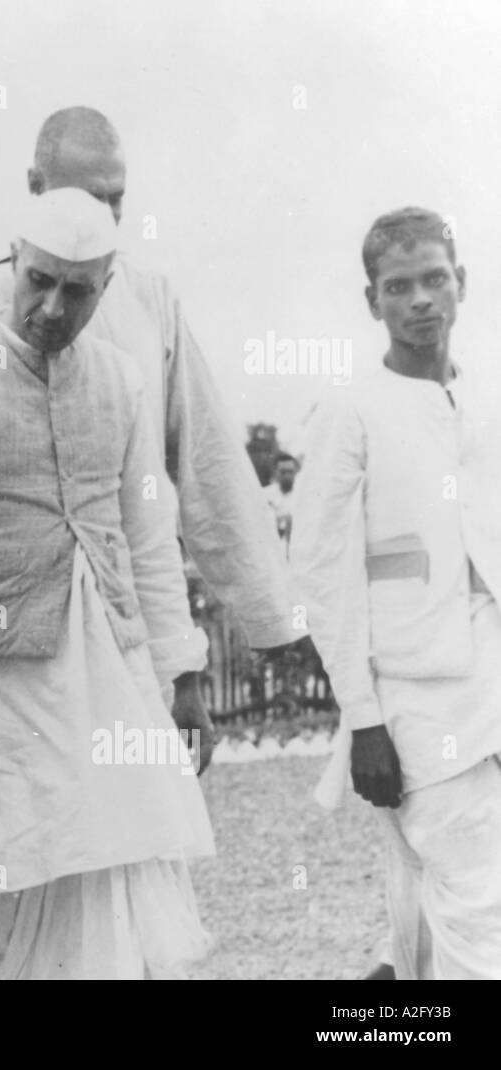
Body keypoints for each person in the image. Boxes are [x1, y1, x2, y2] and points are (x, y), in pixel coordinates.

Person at [0, 188, 216, 979]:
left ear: (105, 288)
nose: (52, 306)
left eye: (77, 290)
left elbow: (147, 536)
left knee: (114, 862)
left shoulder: (124, 381)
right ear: (14, 263)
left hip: (108, 671)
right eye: (39, 280)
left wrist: (185, 674)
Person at [0, 106, 300, 655]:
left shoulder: (148, 296)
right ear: (35, 187)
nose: (106, 215)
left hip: (133, 614)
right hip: (11, 626)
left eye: (117, 198)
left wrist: (272, 619)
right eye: (89, 198)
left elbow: (207, 460)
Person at [292, 207, 501, 980]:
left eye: (435, 279)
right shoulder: (352, 412)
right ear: (371, 300)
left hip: (493, 690)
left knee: (429, 911)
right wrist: (364, 718)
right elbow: (321, 572)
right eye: (398, 285)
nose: (420, 300)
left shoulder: (485, 401)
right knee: (479, 908)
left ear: (462, 283)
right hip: (414, 701)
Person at [265, 453, 299, 548]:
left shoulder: (303, 495)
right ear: (275, 472)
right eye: (283, 472)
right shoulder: (264, 494)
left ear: (296, 472)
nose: (287, 476)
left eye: (290, 471)